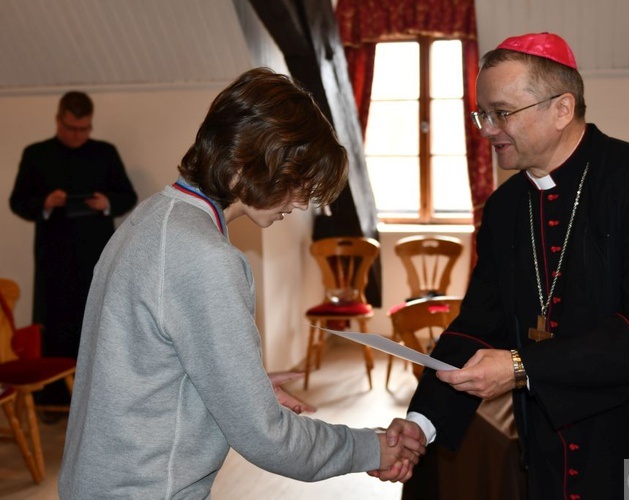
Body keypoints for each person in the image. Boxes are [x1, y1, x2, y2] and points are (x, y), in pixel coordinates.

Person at [382, 32, 629, 498]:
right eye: (481, 114)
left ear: (562, 109)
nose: (486, 129)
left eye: (501, 113)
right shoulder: (506, 208)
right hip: (556, 441)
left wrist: (521, 365)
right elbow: (478, 326)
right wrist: (422, 423)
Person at [58, 67, 424, 498]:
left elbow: (138, 366)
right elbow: (266, 438)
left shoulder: (150, 217)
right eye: (298, 181)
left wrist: (234, 384)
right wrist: (371, 448)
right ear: (254, 160)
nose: (302, 201)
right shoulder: (205, 257)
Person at [9, 91, 137, 409]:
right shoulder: (36, 153)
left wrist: (106, 203)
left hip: (95, 255)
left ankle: (96, 402)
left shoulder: (104, 153)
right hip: (53, 259)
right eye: (71, 128)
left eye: (84, 129)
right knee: (53, 329)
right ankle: (52, 401)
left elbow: (127, 196)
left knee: (96, 326)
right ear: (58, 120)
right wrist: (45, 204)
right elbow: (18, 202)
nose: (78, 135)